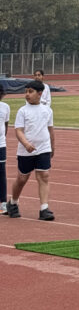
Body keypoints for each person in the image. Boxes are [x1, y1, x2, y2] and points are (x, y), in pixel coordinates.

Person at [6, 79, 55, 220]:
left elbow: (50, 130)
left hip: (43, 147)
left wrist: (53, 146)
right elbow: (19, 131)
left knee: (44, 176)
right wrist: (26, 144)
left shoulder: (47, 110)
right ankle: (13, 202)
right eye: (26, 92)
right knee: (22, 178)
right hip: (25, 150)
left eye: (30, 92)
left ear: (40, 94)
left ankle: (44, 208)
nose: (27, 95)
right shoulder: (23, 111)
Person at [0, 83, 9, 214]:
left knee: (1, 174)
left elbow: (6, 125)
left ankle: (3, 203)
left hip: (1, 145)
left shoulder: (5, 107)